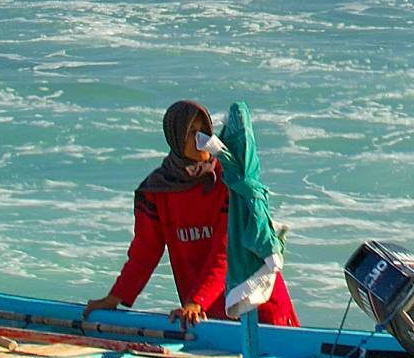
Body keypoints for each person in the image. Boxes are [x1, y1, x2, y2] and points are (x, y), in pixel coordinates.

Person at [85, 100, 299, 329]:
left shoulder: (230, 182)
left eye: (204, 130)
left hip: (257, 308)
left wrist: (198, 300)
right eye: (192, 133)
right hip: (204, 320)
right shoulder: (156, 191)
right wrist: (116, 297)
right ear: (176, 138)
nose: (201, 139)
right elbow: (144, 254)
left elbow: (224, 252)